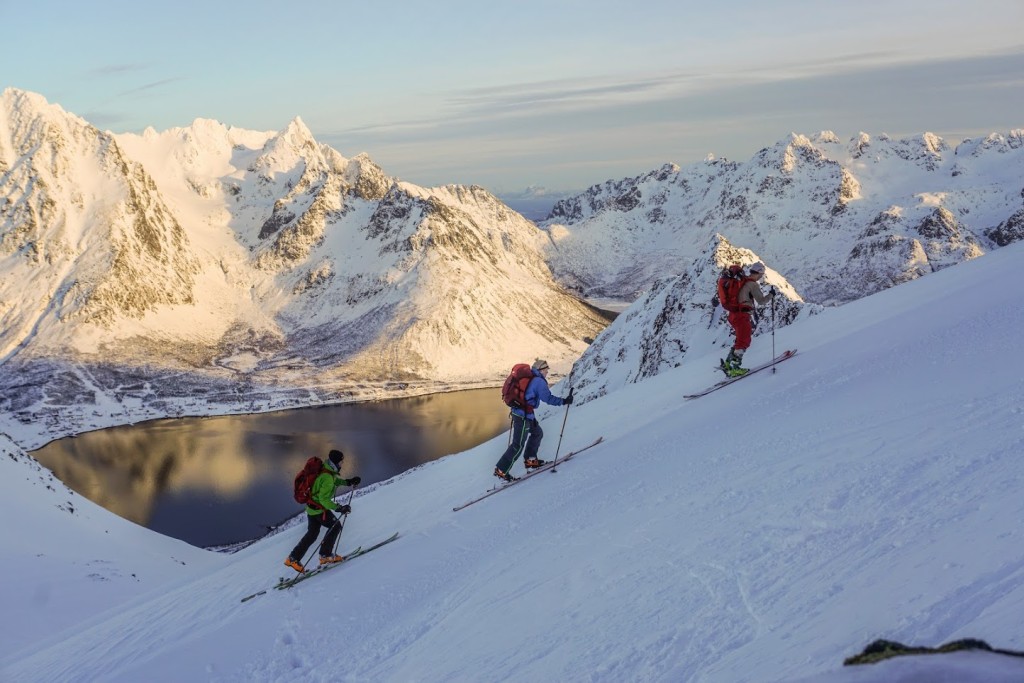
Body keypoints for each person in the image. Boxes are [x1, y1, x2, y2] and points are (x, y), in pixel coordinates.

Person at [493, 359, 574, 481]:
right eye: (546, 370)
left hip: (525, 413)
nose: (547, 372)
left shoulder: (531, 377)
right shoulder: (538, 382)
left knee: (537, 433)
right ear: (541, 370)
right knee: (518, 444)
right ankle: (501, 470)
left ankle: (530, 460)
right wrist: (564, 401)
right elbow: (548, 398)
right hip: (523, 416)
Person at [284, 449, 361, 573]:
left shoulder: (325, 470)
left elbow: (334, 480)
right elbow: (324, 499)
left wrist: (348, 482)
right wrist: (340, 508)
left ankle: (293, 558)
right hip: (319, 510)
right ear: (335, 462)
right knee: (336, 526)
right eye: (341, 462)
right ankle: (325, 555)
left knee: (312, 534)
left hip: (311, 509)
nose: (342, 464)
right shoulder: (327, 477)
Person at [721, 261, 776, 377]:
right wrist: (771, 295)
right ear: (759, 273)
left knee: (739, 340)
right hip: (742, 315)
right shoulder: (752, 284)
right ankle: (733, 368)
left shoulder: (742, 280)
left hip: (733, 314)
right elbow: (761, 301)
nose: (761, 277)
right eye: (761, 275)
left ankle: (728, 364)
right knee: (744, 341)